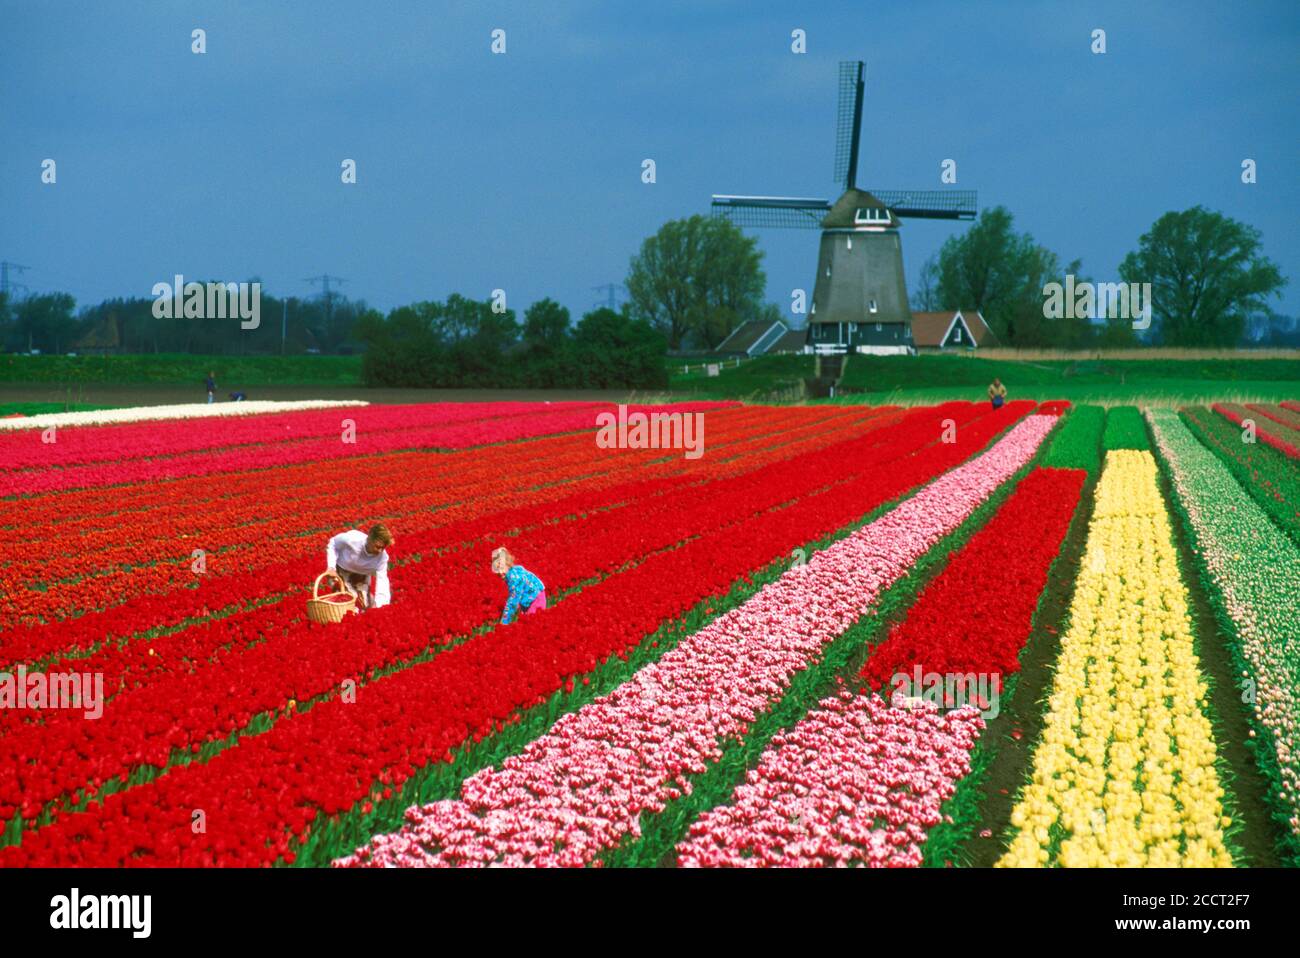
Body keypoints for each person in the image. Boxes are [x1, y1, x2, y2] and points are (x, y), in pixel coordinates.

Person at [326, 524, 394, 611]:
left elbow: (382, 580)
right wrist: (331, 567)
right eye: (377, 547)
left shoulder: (383, 557)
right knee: (349, 600)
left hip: (362, 576)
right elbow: (333, 543)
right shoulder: (352, 539)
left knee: (365, 605)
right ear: (369, 539)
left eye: (383, 548)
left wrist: (382, 606)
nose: (380, 551)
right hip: (341, 571)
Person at [491, 546, 546, 624]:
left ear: (508, 564)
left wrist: (504, 622)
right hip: (535, 595)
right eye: (497, 569)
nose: (500, 572)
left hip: (535, 598)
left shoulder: (514, 578)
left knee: (532, 622)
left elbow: (513, 600)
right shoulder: (514, 570)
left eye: (502, 568)